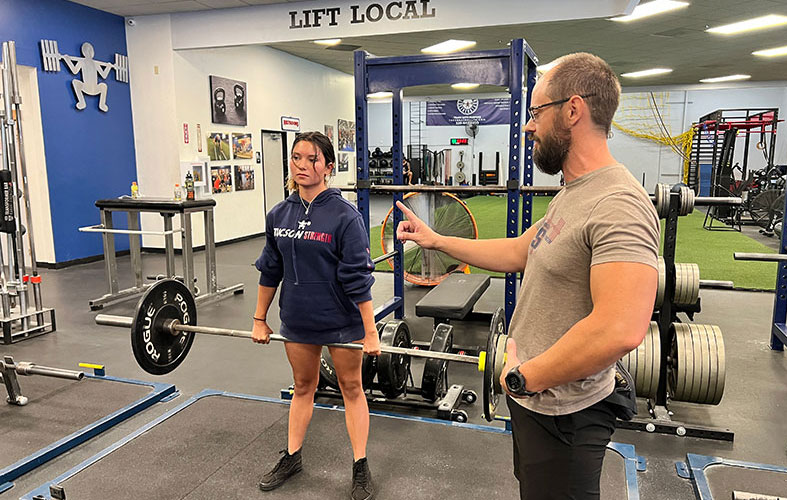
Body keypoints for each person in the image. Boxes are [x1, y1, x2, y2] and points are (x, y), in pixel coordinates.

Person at [395, 53, 659, 500]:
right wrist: (437, 240)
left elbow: (621, 328)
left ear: (573, 110)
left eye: (536, 112)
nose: (528, 126)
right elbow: (521, 251)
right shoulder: (575, 193)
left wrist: (524, 377)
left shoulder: (618, 203)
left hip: (566, 411)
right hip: (538, 402)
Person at [252, 131, 380, 500]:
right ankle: (292, 457)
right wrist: (260, 319)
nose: (303, 166)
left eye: (311, 159)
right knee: (303, 387)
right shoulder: (279, 214)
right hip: (297, 319)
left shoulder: (345, 216)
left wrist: (370, 332)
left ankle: (360, 466)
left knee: (351, 389)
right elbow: (269, 269)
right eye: (296, 158)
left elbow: (358, 278)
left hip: (342, 321)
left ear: (328, 166)